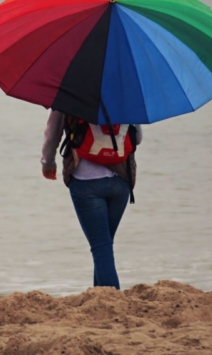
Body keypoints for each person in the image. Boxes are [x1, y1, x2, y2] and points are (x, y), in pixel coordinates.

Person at [40, 109, 142, 289]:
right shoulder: (125, 91)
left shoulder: (69, 89)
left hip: (86, 182)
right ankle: (99, 298)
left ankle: (113, 301)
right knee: (104, 245)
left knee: (101, 246)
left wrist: (48, 163)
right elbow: (138, 138)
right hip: (121, 181)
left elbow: (52, 132)